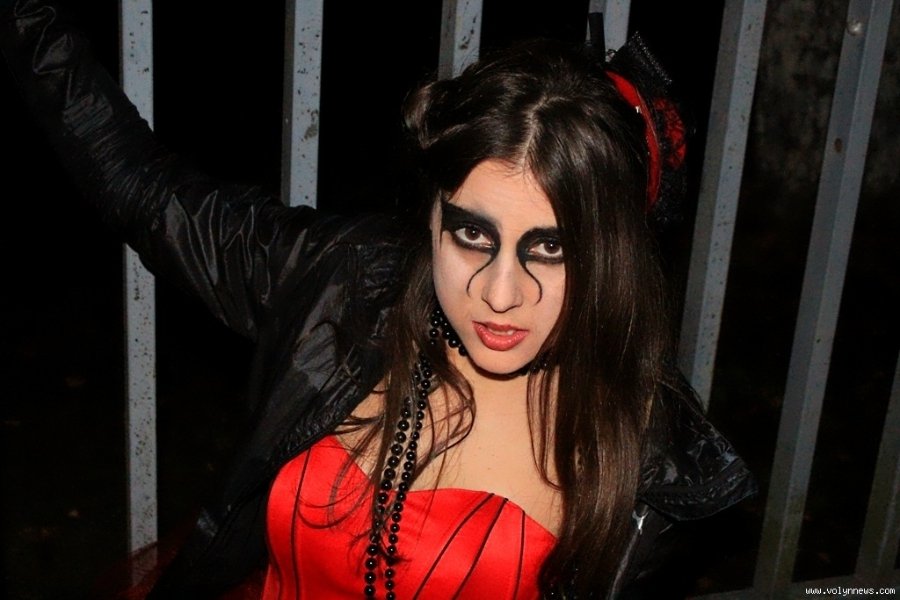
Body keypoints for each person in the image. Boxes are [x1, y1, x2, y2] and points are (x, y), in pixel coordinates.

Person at [1, 0, 755, 597]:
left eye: (551, 248)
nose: (500, 294)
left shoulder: (644, 450)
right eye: (472, 234)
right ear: (430, 218)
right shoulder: (347, 284)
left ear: (612, 254)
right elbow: (144, 188)